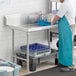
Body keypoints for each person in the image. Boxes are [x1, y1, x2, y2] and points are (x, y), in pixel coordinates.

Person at [52, 0, 76, 72]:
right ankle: (63, 62)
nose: (59, 0)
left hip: (68, 27)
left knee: (67, 46)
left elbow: (57, 16)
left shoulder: (65, 4)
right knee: (62, 44)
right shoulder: (68, 3)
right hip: (66, 27)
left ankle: (70, 65)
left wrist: (52, 22)